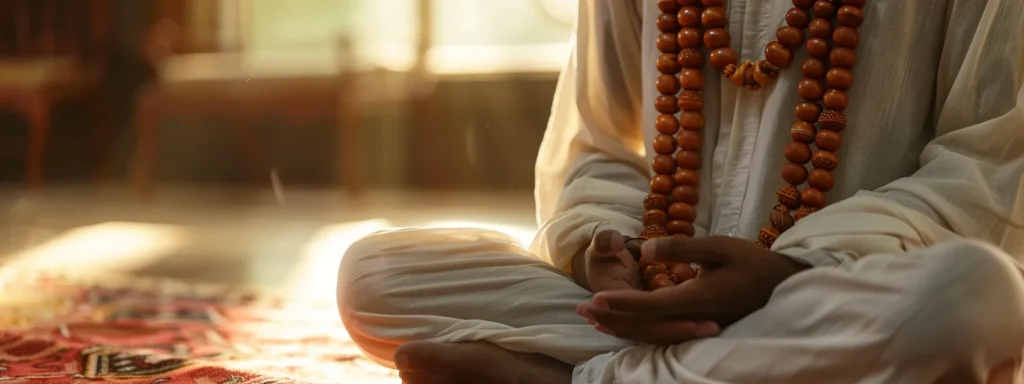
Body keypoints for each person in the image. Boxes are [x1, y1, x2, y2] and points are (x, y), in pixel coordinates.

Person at [336, 0, 1024, 383]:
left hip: (834, 287)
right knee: (374, 274)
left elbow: (988, 162)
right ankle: (715, 368)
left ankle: (582, 382)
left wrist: (792, 271)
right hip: (660, 298)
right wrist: (606, 250)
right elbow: (599, 143)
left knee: (973, 296)